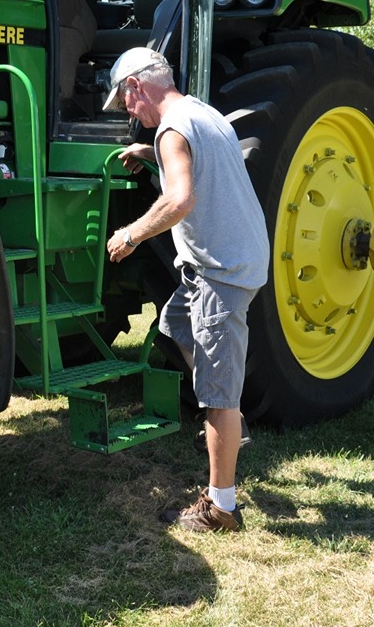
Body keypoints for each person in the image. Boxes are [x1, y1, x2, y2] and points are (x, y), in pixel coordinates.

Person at [103, 47, 269, 533]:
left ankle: (222, 507)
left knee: (216, 392)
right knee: (176, 323)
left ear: (137, 86)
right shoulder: (201, 114)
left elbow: (180, 198)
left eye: (125, 102)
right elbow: (200, 179)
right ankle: (230, 420)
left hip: (221, 270)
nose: (128, 113)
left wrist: (131, 234)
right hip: (228, 260)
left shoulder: (172, 131)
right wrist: (149, 155)